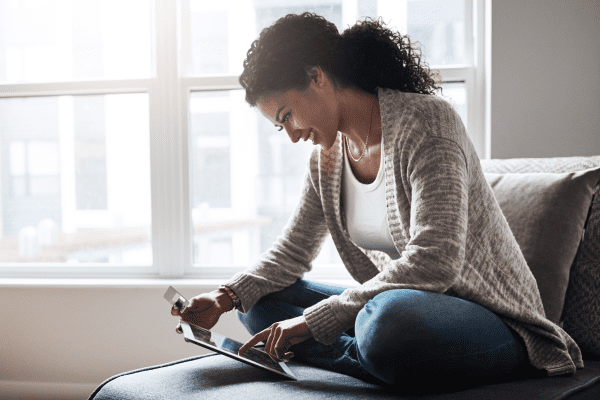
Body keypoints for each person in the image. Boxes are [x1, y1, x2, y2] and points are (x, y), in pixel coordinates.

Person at [171, 12, 583, 392]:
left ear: (316, 76)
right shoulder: (327, 159)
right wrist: (225, 296)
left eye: (287, 115)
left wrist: (317, 322)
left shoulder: (427, 123)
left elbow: (435, 260)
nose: (292, 134)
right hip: (403, 309)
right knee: (258, 304)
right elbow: (293, 250)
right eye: (281, 127)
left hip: (492, 321)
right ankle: (374, 358)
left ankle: (368, 352)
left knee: (387, 324)